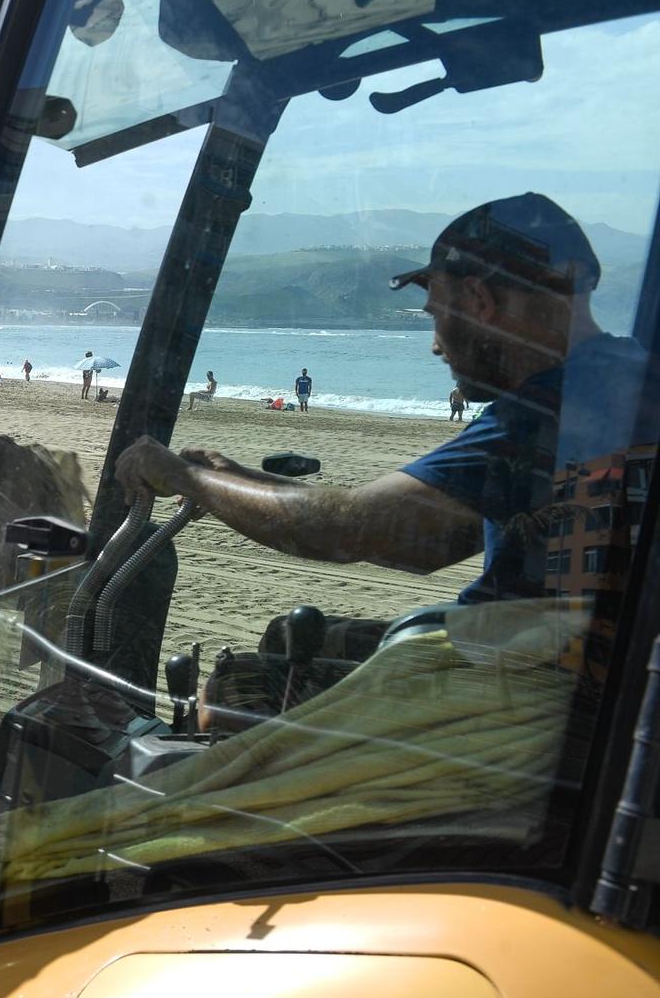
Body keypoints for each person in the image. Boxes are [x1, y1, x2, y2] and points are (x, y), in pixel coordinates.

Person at [118, 194, 641, 725]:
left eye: (438, 315)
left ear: (480, 300)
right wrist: (233, 478)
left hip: (525, 688)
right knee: (288, 637)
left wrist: (184, 477)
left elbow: (355, 528)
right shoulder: (623, 382)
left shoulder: (545, 410)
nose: (437, 346)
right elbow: (429, 541)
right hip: (571, 669)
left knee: (239, 687)